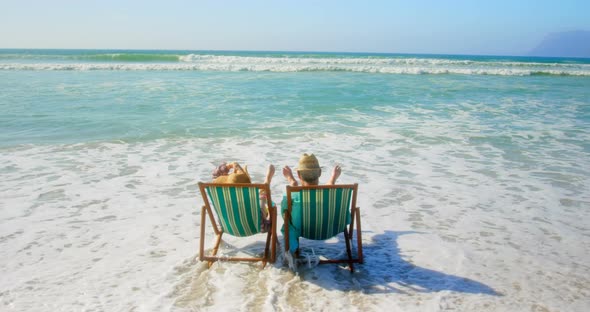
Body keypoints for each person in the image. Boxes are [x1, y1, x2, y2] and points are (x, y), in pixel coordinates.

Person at [280, 153, 342, 254]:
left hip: (302, 230)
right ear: (320, 173)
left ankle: (293, 254)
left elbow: (284, 213)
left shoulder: (294, 196)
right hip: (329, 230)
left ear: (299, 175)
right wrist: (333, 178)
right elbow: (329, 187)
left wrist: (292, 182)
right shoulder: (333, 195)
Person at [212, 161, 275, 232]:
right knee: (264, 201)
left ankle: (265, 186)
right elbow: (241, 174)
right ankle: (266, 183)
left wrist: (227, 166)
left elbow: (215, 175)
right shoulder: (243, 193)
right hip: (257, 226)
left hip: (226, 227)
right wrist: (233, 164)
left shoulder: (216, 188)